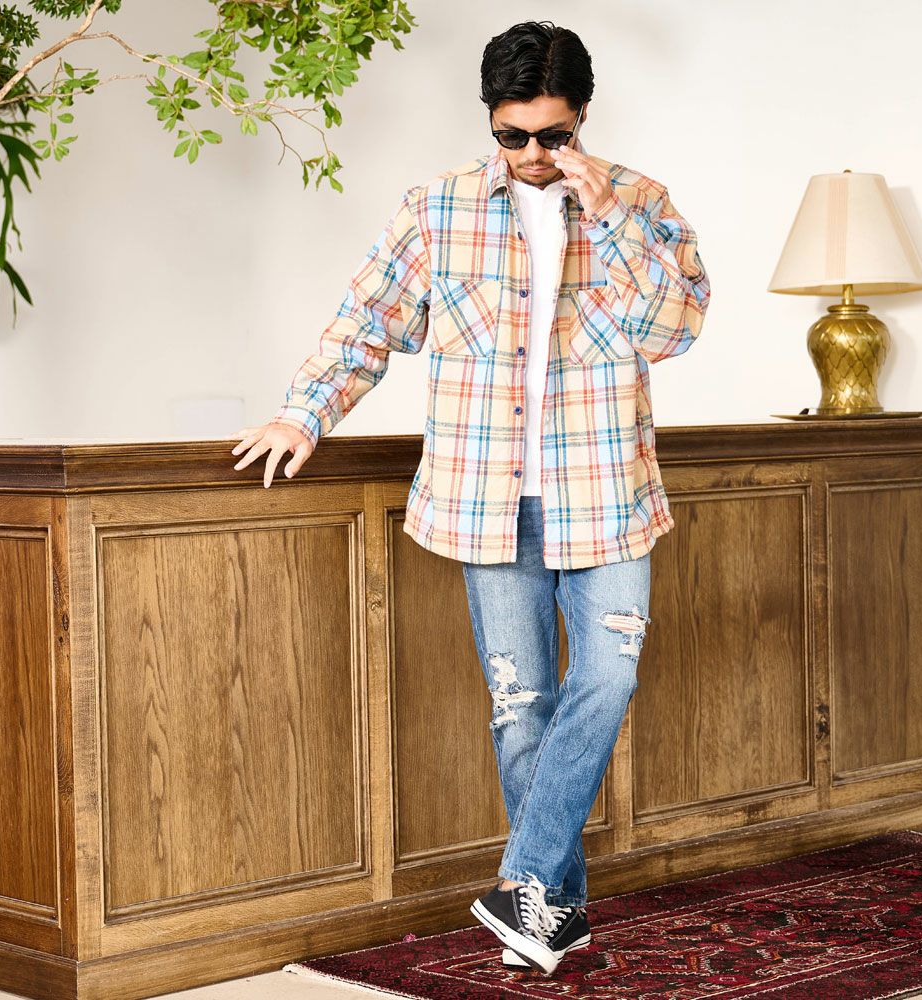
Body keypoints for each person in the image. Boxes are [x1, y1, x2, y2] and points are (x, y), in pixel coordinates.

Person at [231, 19, 710, 978]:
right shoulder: (437, 210)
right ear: (490, 120)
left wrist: (610, 216)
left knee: (609, 678)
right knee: (520, 706)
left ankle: (521, 880)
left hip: (605, 494)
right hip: (487, 501)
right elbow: (365, 324)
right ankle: (549, 911)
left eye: (553, 135)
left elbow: (675, 330)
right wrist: (302, 414)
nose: (532, 154)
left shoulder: (642, 202)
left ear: (582, 117)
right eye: (512, 135)